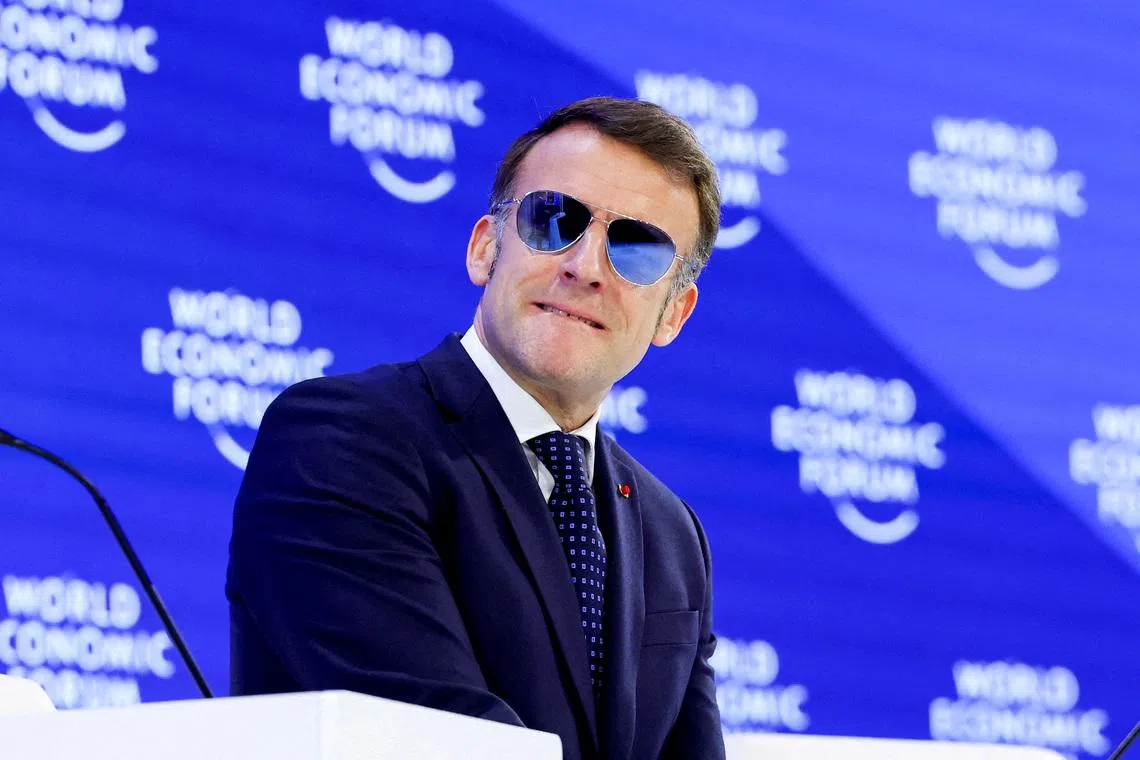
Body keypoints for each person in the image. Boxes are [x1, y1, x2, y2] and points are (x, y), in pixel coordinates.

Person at [227, 97, 726, 760]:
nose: (584, 267)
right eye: (554, 220)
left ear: (674, 315)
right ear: (485, 249)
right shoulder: (339, 441)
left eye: (635, 250)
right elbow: (437, 737)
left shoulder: (672, 535)